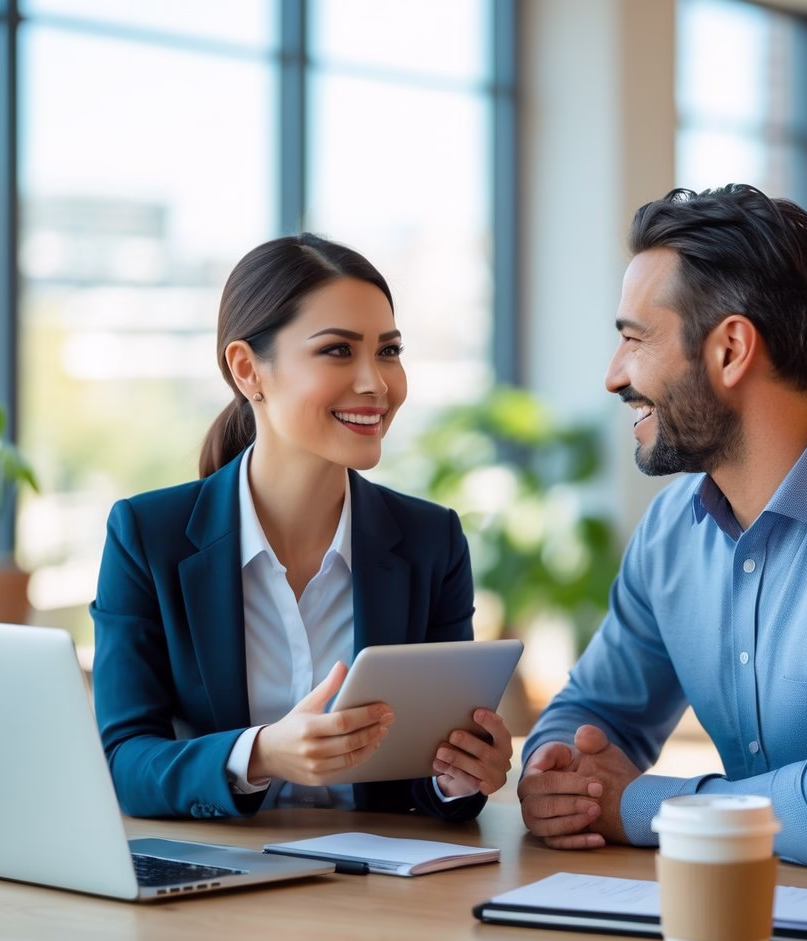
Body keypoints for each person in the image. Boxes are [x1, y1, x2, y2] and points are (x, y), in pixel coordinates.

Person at [518, 184, 807, 872]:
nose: (614, 378)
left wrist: (635, 805)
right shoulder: (673, 528)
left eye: (635, 340)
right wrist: (556, 779)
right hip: (752, 905)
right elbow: (591, 716)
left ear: (730, 350)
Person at [90, 233, 512, 821]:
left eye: (388, 351)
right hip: (216, 885)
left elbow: (423, 777)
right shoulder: (147, 536)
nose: (376, 383)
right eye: (339, 351)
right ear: (247, 370)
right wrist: (261, 755)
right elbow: (126, 764)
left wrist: (461, 778)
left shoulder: (430, 542)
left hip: (380, 894)